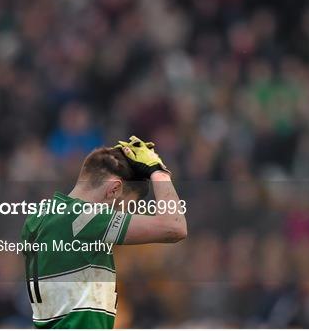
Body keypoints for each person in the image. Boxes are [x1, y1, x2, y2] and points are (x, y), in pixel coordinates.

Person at [21, 136, 187, 328]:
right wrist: (159, 173)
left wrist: (115, 158)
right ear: (114, 189)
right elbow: (175, 227)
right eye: (128, 206)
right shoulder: (85, 219)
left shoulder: (38, 217)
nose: (125, 214)